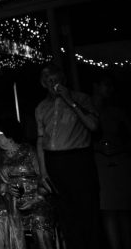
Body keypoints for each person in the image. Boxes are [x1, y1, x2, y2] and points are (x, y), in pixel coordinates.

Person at [35, 64, 100, 249]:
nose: (52, 84)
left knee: (87, 214)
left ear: (62, 80)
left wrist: (69, 100)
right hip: (55, 162)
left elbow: (93, 126)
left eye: (55, 80)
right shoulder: (41, 107)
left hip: (78, 160)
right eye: (48, 81)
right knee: (66, 216)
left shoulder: (82, 98)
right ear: (43, 84)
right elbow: (41, 140)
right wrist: (43, 171)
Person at [0, 117, 56, 249]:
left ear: (10, 135)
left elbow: (44, 177)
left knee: (39, 219)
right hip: (9, 202)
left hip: (35, 201)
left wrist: (37, 198)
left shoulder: (30, 151)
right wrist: (4, 187)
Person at [92, 74, 131, 249]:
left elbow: (129, 135)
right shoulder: (86, 108)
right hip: (100, 164)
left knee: (123, 209)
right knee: (108, 209)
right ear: (96, 85)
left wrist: (120, 147)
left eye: (111, 86)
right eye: (106, 85)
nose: (110, 89)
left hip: (120, 163)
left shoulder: (116, 111)